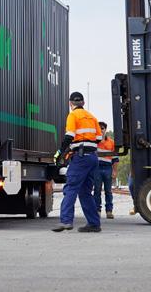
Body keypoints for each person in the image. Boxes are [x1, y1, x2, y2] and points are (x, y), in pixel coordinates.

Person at [52, 91, 103, 233]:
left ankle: (66, 221)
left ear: (70, 103)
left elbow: (69, 136)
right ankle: (94, 224)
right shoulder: (92, 117)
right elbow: (99, 138)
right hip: (92, 157)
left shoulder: (73, 115)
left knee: (71, 188)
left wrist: (61, 152)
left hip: (80, 157)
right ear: (83, 103)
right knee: (85, 192)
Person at [93, 122, 118, 219]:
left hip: (108, 168)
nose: (101, 130)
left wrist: (114, 171)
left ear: (105, 130)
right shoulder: (94, 142)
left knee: (108, 191)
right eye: (99, 128)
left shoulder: (111, 142)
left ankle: (109, 211)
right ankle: (97, 211)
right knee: (97, 190)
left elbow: (115, 159)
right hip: (97, 168)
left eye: (102, 128)